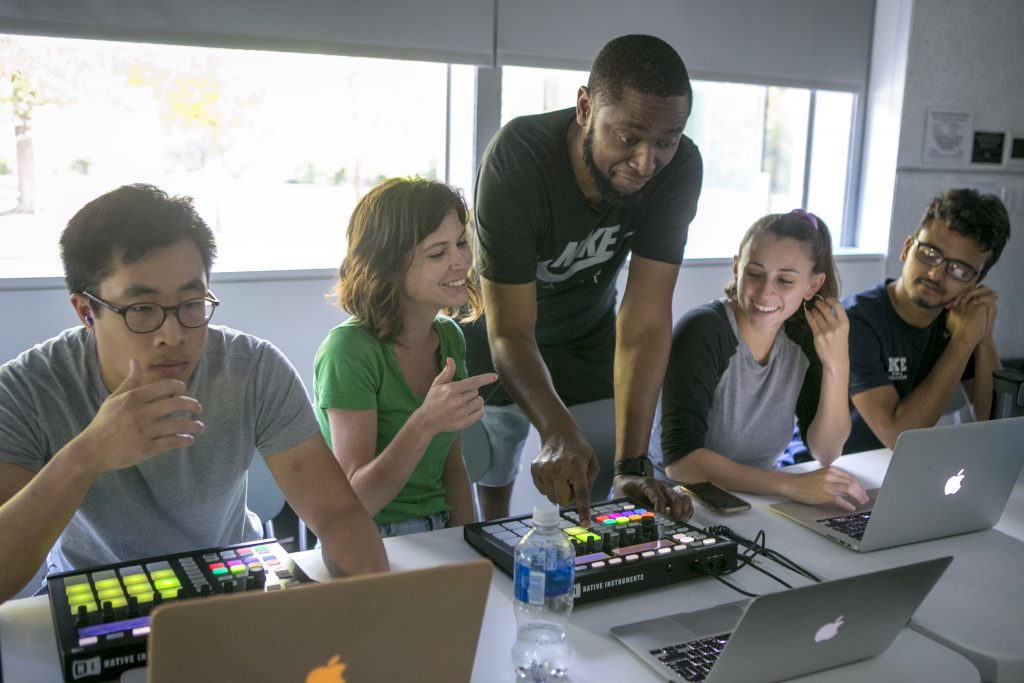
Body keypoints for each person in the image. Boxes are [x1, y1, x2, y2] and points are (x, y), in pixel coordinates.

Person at [0, 184, 388, 604]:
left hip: (231, 579)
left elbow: (336, 513)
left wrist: (372, 606)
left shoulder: (253, 368)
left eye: (192, 303)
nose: (173, 335)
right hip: (94, 592)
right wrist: (86, 455)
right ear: (86, 311)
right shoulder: (29, 388)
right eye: (142, 309)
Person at [465, 34, 702, 525]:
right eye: (628, 137)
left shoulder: (678, 170)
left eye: (666, 141)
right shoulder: (518, 159)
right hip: (497, 331)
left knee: (599, 475)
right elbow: (510, 331)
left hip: (586, 331)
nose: (645, 162)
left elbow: (646, 316)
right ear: (584, 107)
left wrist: (634, 462)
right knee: (494, 471)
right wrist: (554, 429)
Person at [313, 178, 495, 537]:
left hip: (440, 531)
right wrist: (425, 421)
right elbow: (356, 501)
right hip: (371, 537)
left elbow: (453, 467)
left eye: (461, 242)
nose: (461, 261)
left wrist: (472, 547)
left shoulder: (449, 337)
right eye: (437, 252)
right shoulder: (348, 350)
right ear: (390, 266)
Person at [655, 211, 868, 509]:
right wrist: (789, 485)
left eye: (785, 280)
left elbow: (827, 450)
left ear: (813, 285)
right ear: (736, 268)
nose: (766, 291)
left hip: (749, 504)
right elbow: (681, 464)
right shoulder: (703, 329)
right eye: (754, 273)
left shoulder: (803, 338)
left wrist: (837, 363)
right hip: (670, 502)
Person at [843, 188, 1011, 453]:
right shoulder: (856, 320)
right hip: (824, 472)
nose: (935, 274)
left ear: (975, 283)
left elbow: (997, 428)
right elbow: (898, 436)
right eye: (930, 253)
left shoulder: (958, 320)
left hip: (900, 472)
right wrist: (963, 342)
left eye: (958, 269)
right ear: (907, 248)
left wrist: (983, 337)